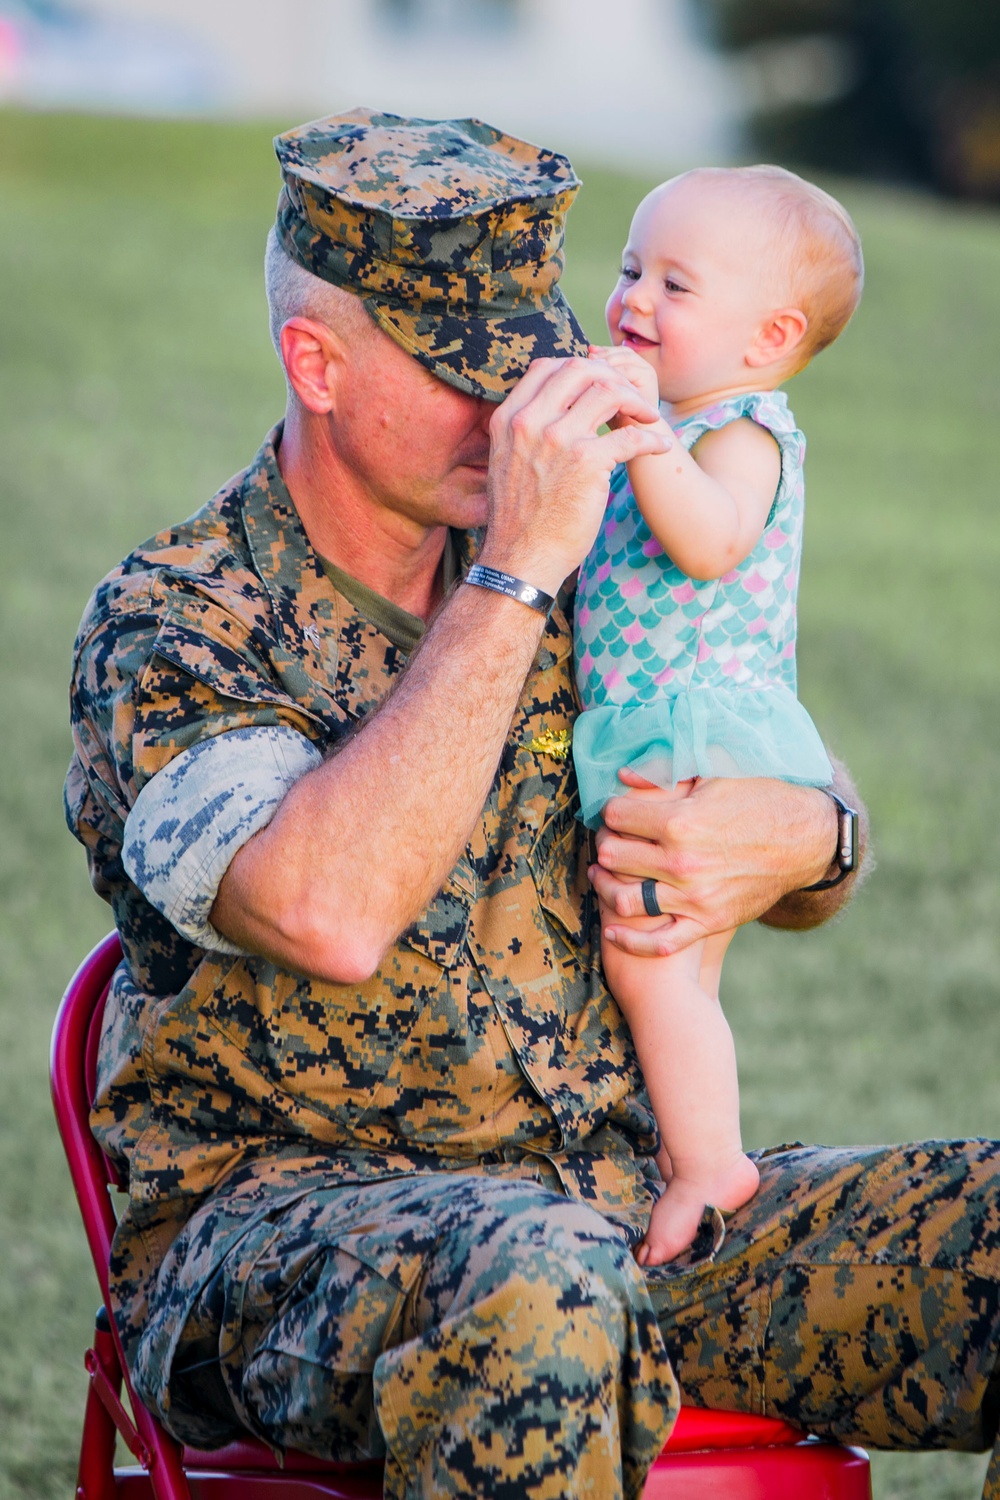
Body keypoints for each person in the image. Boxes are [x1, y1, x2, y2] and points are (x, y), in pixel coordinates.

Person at [65, 109, 1000, 1500]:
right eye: (468, 373)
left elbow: (775, 766)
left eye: (536, 361)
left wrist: (810, 833)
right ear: (315, 363)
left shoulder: (590, 545)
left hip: (622, 1213)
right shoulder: (182, 625)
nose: (520, 410)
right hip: (289, 1232)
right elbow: (322, 912)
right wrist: (510, 580)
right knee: (540, 1290)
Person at [572, 166, 862, 1267]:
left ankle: (709, 1163)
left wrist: (641, 430)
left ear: (765, 337)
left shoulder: (742, 432)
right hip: (654, 721)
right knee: (675, 968)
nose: (633, 297)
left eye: (675, 284)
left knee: (651, 952)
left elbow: (709, 544)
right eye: (631, 268)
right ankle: (679, 1154)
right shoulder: (681, 420)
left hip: (694, 727)